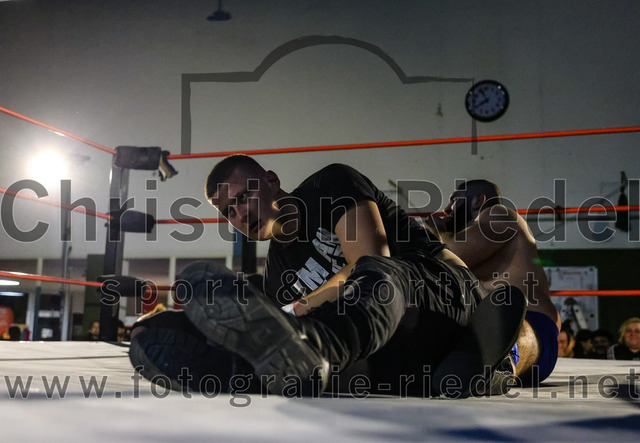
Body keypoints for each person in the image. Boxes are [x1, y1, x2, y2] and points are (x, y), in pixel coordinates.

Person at [159, 155, 526, 398]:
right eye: (228, 211)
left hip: (442, 294)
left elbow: (373, 258)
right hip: (396, 343)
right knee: (272, 311)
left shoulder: (329, 185)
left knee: (372, 276)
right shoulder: (276, 275)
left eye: (244, 196)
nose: (240, 214)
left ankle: (317, 349)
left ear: (271, 180)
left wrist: (298, 308)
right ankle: (227, 365)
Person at [424, 179, 561, 386]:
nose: (447, 209)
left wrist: (437, 232)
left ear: (478, 200)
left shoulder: (499, 214)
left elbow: (453, 255)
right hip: (484, 330)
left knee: (506, 322)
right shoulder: (467, 234)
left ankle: (503, 362)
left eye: (454, 200)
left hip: (534, 328)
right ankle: (485, 364)